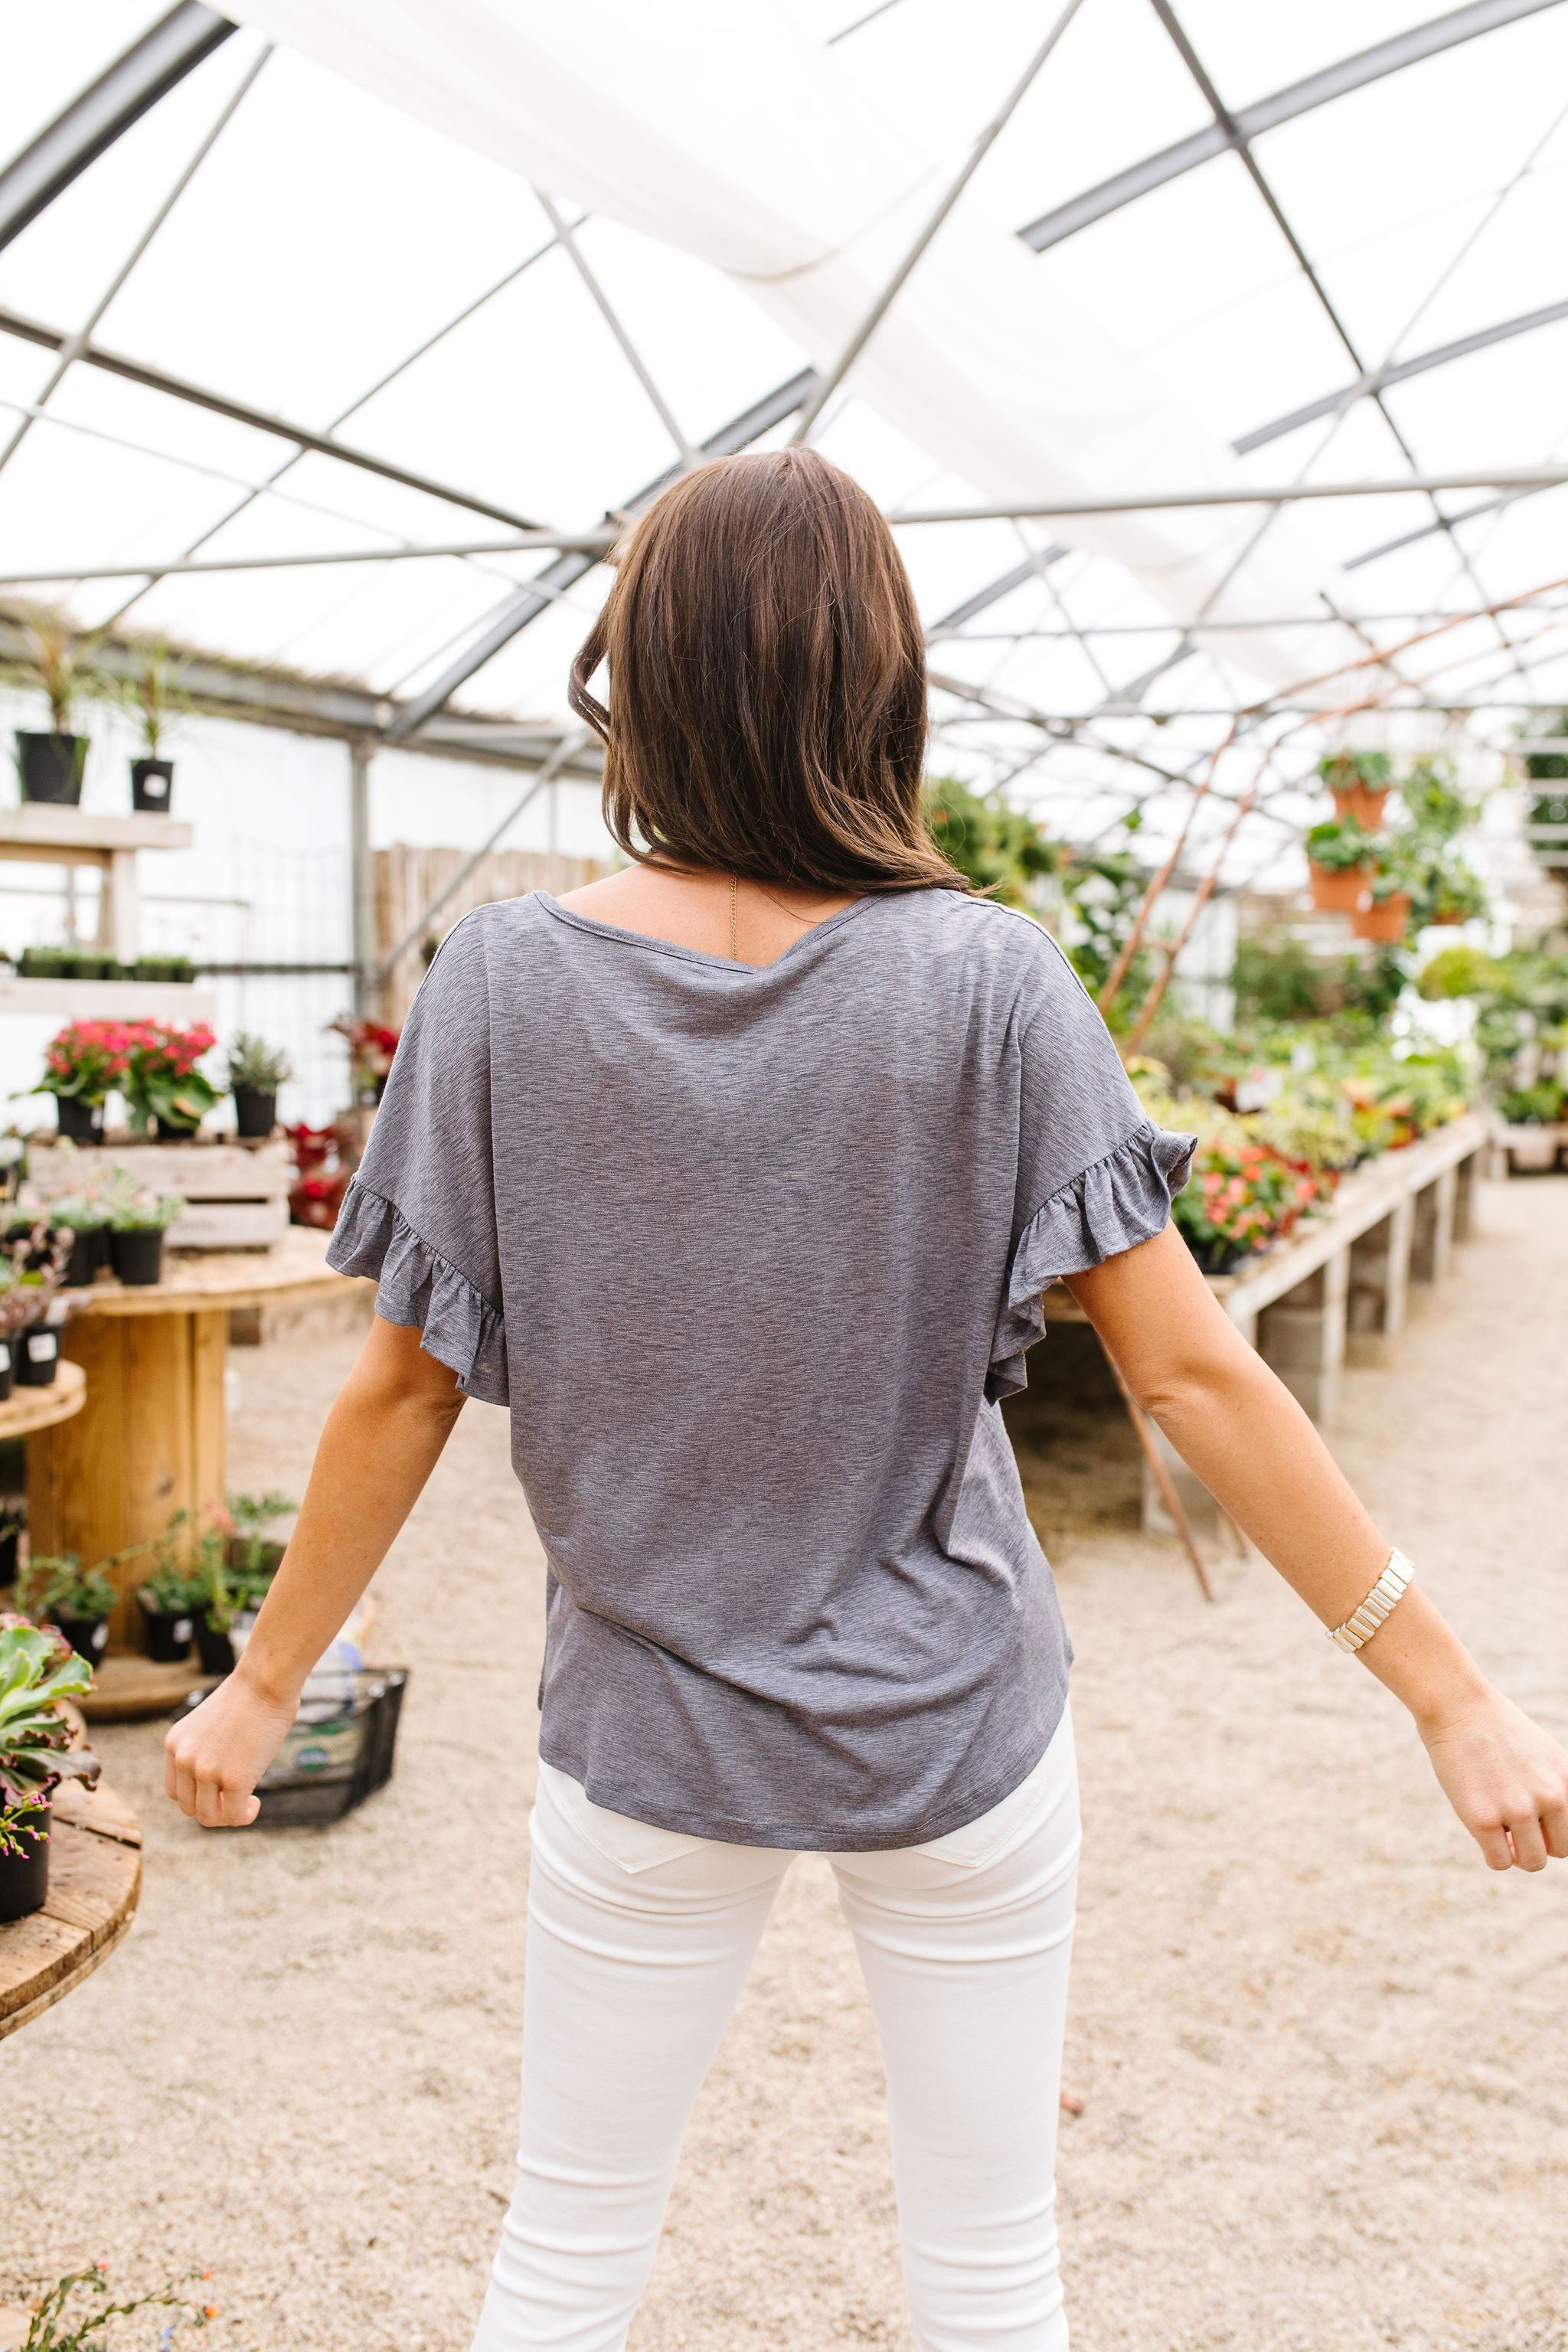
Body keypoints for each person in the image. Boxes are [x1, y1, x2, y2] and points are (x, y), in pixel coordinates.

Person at [166, 450, 1568, 2352]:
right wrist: (1448, 1692)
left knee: (567, 2256)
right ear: (879, 681)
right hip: (958, 1736)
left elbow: (396, 1398)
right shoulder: (991, 985)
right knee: (989, 2270)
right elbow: (1189, 1371)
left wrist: (262, 1690)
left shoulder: (497, 982)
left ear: (638, 676)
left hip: (645, 1740)